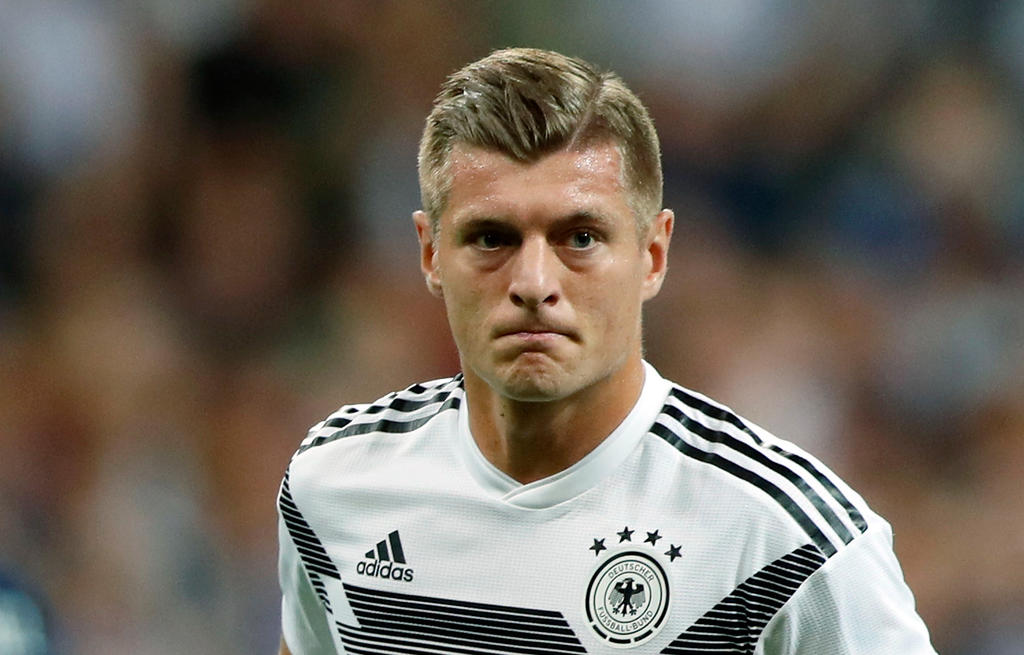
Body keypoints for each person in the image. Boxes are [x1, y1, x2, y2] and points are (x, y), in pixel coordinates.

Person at [277, 47, 937, 654]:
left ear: (654, 254)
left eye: (581, 238)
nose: (534, 283)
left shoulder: (786, 541)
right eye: (491, 238)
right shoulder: (335, 484)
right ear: (429, 254)